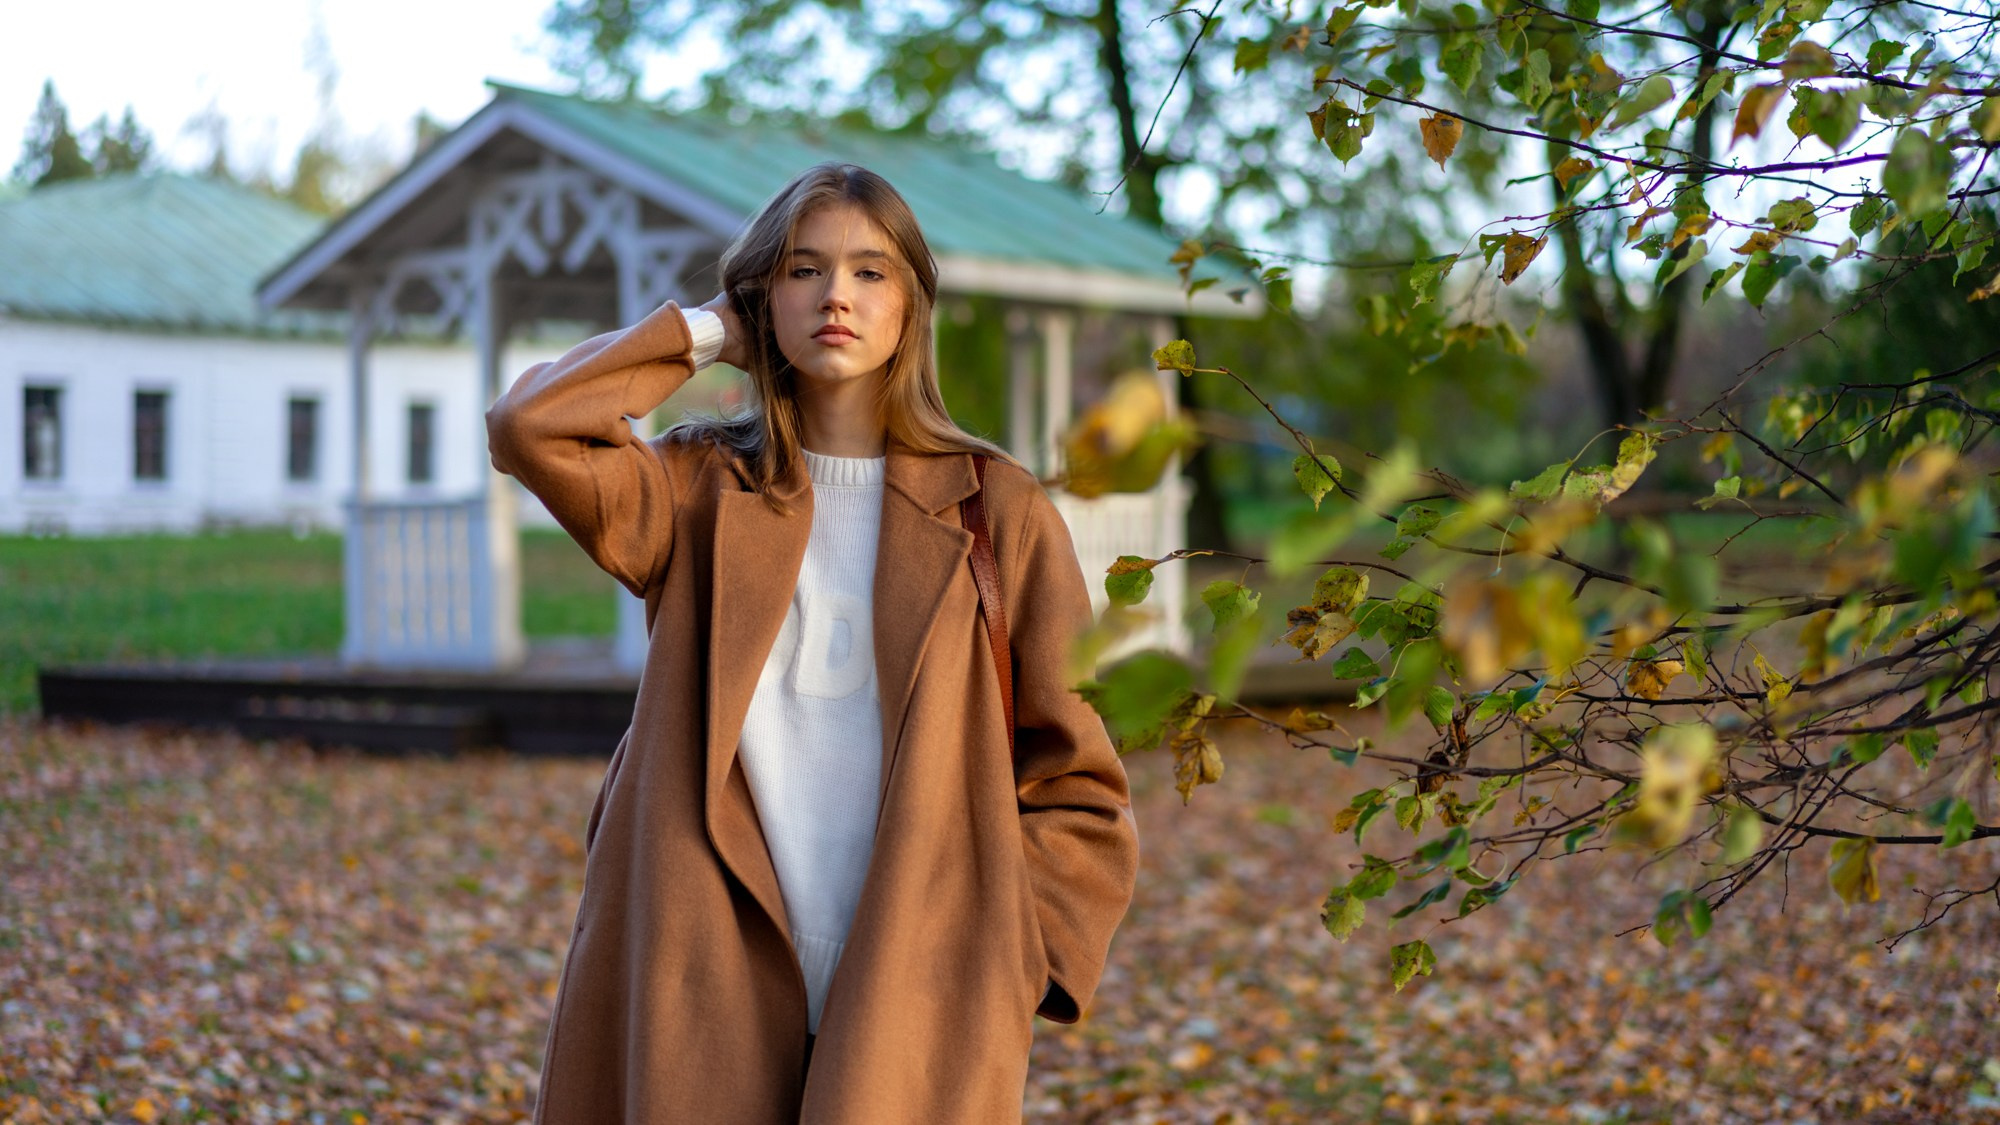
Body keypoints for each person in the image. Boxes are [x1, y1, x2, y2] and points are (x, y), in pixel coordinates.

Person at [485, 161, 1142, 1123]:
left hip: (916, 974)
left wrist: (1022, 954)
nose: (837, 293)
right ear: (764, 295)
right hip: (701, 962)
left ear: (913, 304)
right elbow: (530, 423)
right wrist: (710, 332)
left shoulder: (999, 508)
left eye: (872, 271)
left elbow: (1079, 774)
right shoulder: (695, 488)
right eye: (803, 270)